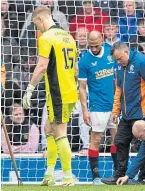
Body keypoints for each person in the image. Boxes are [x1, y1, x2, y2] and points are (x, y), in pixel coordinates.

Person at [22, 6, 78, 186]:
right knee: (48, 129)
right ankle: (49, 174)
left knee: (59, 132)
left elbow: (41, 67)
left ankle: (68, 177)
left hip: (57, 92)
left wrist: (30, 88)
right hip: (69, 90)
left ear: (40, 19)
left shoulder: (46, 38)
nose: (36, 29)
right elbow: (75, 68)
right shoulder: (68, 37)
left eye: (35, 25)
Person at [101, 41, 145, 185]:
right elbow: (118, 90)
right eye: (116, 59)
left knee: (144, 145)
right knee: (118, 142)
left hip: (143, 114)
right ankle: (119, 175)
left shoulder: (142, 62)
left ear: (126, 52)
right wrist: (116, 110)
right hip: (127, 114)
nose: (118, 62)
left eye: (120, 58)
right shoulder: (119, 66)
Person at [78, 30, 117, 185]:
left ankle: (118, 173)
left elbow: (117, 78)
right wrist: (85, 110)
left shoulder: (111, 52)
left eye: (96, 45)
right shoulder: (84, 60)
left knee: (117, 139)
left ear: (102, 39)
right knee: (96, 140)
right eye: (91, 46)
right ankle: (95, 177)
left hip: (114, 105)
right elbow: (81, 87)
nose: (94, 49)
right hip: (97, 106)